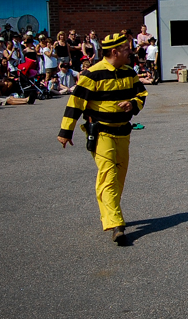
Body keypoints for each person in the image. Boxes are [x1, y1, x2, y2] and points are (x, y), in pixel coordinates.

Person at [57, 33, 148, 244]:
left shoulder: (129, 72)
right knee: (108, 174)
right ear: (114, 52)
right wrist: (65, 132)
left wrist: (132, 105)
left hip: (123, 132)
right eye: (126, 49)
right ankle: (116, 223)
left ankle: (109, 214)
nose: (130, 52)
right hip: (101, 133)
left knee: (118, 175)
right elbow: (75, 103)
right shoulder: (92, 74)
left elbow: (141, 95)